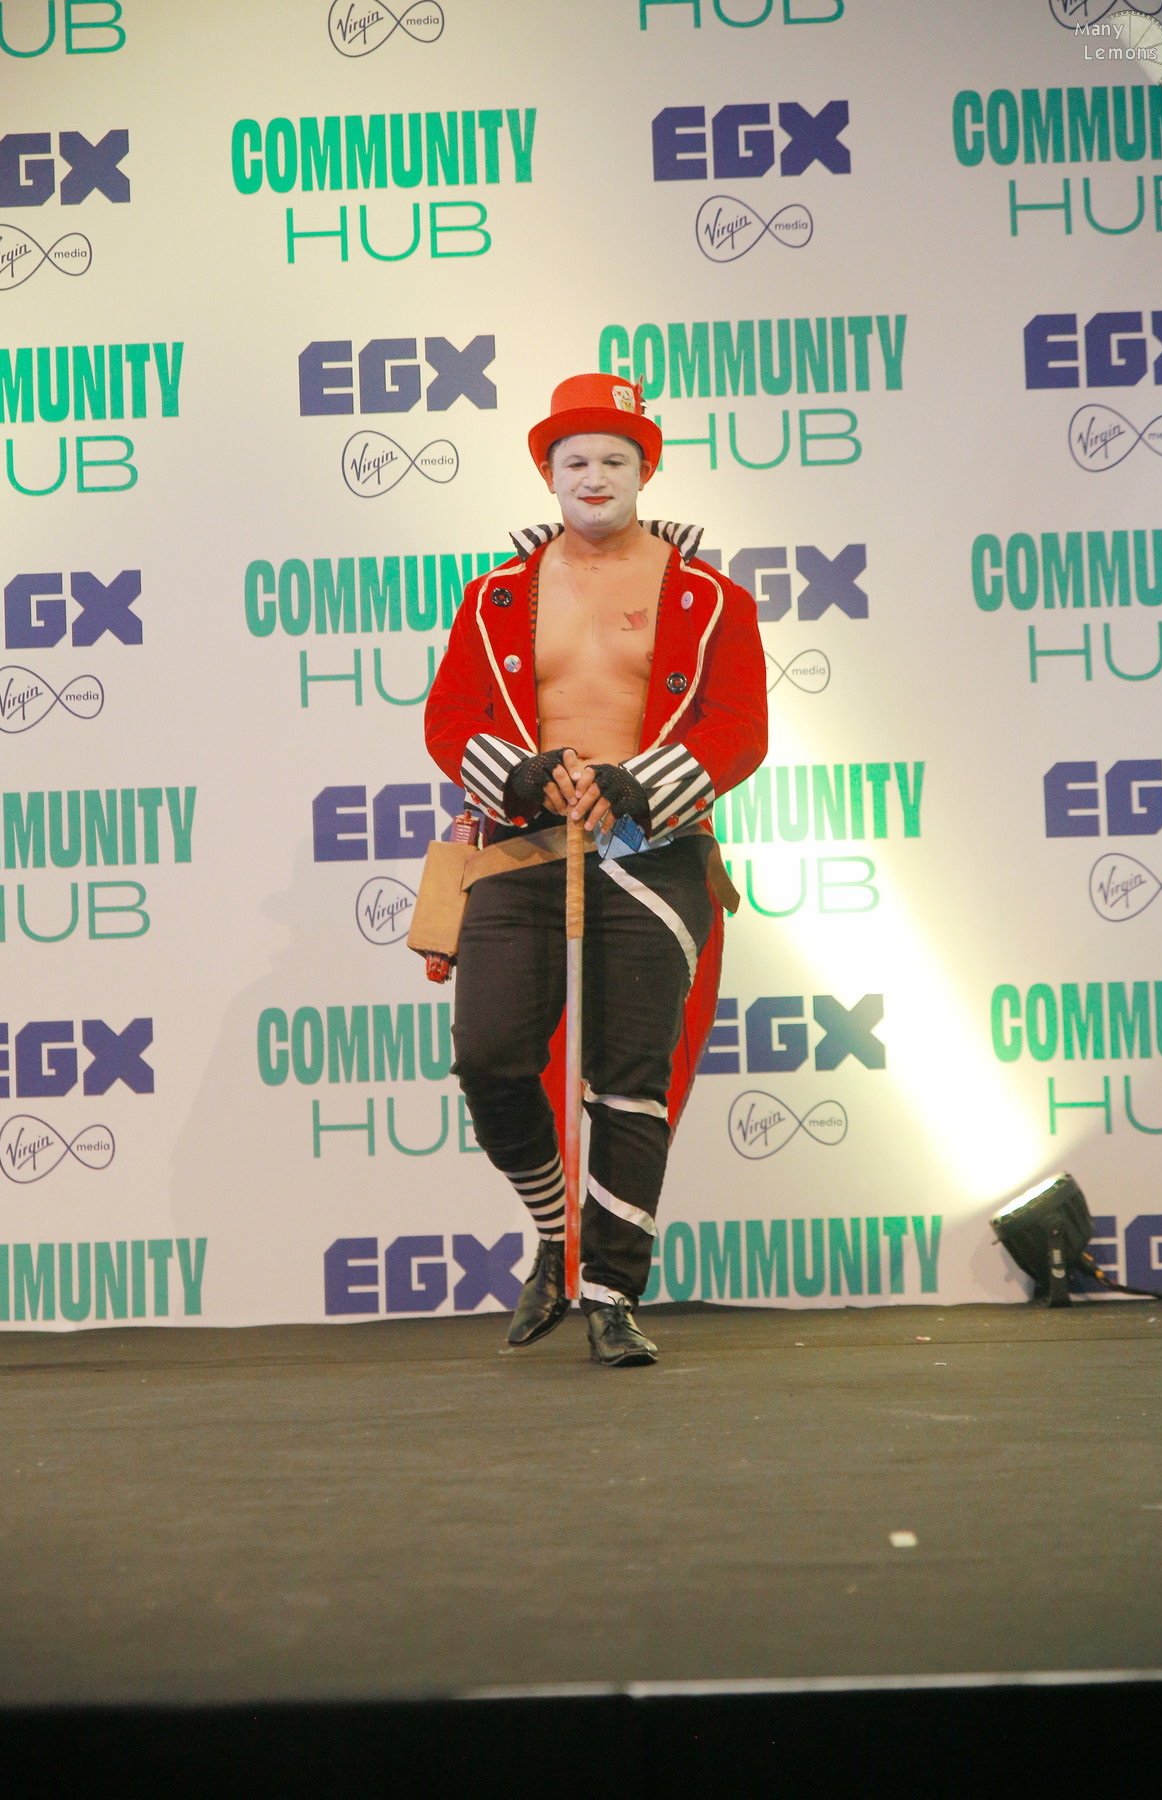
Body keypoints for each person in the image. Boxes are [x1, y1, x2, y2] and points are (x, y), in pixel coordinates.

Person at [424, 373, 768, 1366]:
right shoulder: (493, 596)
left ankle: (612, 1295)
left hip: (652, 852)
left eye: (616, 458)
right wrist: (524, 772)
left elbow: (741, 728)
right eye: (575, 460)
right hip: (523, 847)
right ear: (549, 473)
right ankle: (554, 1235)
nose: (595, 476)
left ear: (644, 470)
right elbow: (450, 719)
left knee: (629, 1084)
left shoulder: (712, 598)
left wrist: (635, 782)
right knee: (491, 1056)